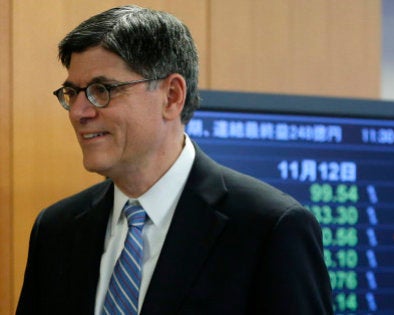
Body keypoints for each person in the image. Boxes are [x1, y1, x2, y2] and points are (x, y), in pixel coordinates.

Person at [17, 5, 332, 315]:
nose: (78, 113)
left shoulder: (270, 227)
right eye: (73, 93)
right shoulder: (56, 229)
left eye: (102, 90)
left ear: (172, 96)